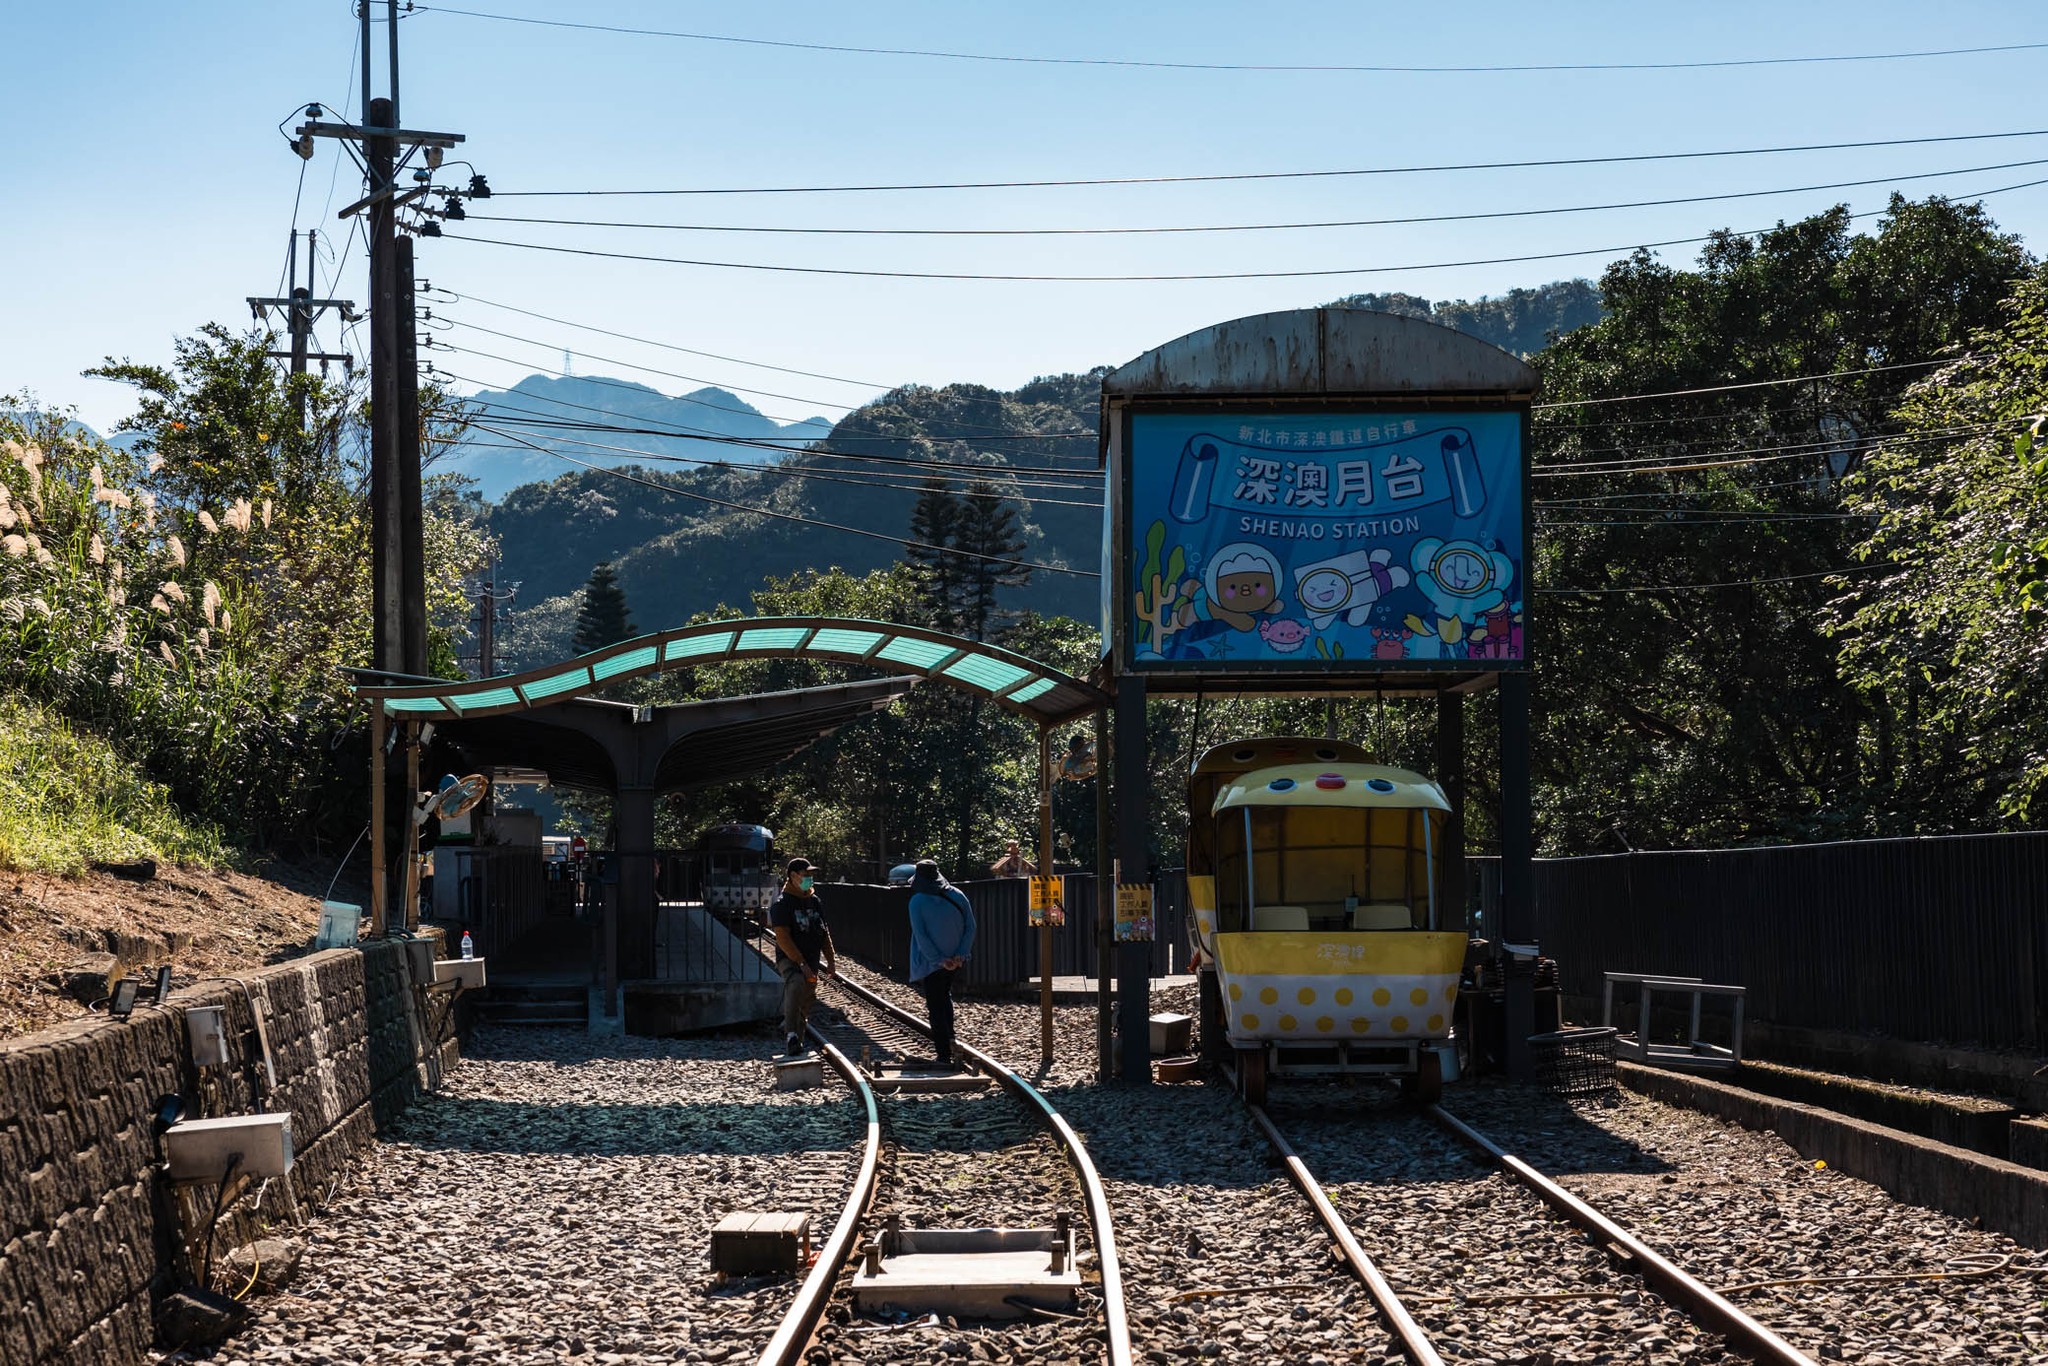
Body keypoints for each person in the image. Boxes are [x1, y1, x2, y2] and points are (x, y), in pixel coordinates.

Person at [907, 859, 977, 1069]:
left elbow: (922, 936)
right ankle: (951, 1039)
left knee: (935, 1005)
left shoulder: (917, 901)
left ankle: (944, 1054)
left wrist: (939, 960)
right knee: (944, 997)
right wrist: (960, 955)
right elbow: (970, 927)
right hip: (955, 961)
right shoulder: (957, 895)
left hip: (933, 963)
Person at [767, 856, 835, 1056]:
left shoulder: (814, 901)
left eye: (811, 876)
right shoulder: (782, 904)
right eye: (806, 875)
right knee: (796, 983)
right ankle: (790, 1035)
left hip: (811, 960)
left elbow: (824, 932)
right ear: (793, 876)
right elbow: (783, 938)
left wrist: (830, 960)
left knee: (806, 1000)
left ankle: (798, 1042)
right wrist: (801, 962)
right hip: (790, 959)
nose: (809, 879)